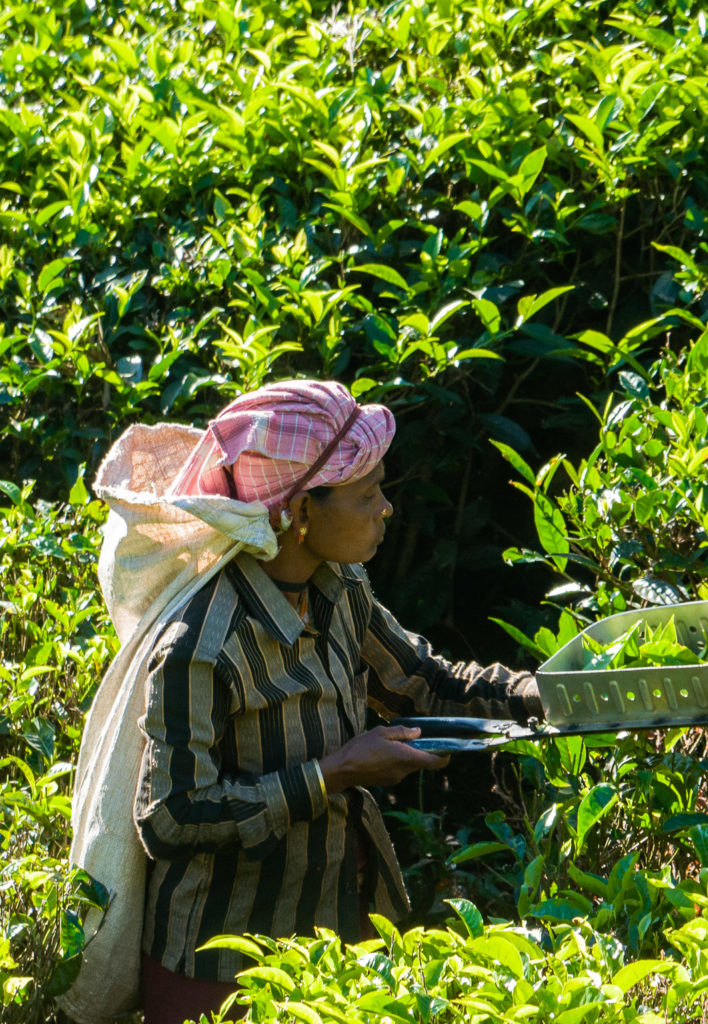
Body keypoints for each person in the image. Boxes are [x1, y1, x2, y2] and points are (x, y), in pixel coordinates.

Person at [83, 379, 543, 1024]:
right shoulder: (202, 644)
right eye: (367, 494)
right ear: (300, 513)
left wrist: (557, 694)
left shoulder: (339, 585)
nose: (385, 509)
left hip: (331, 934)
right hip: (220, 970)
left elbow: (424, 682)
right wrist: (332, 774)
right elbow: (171, 818)